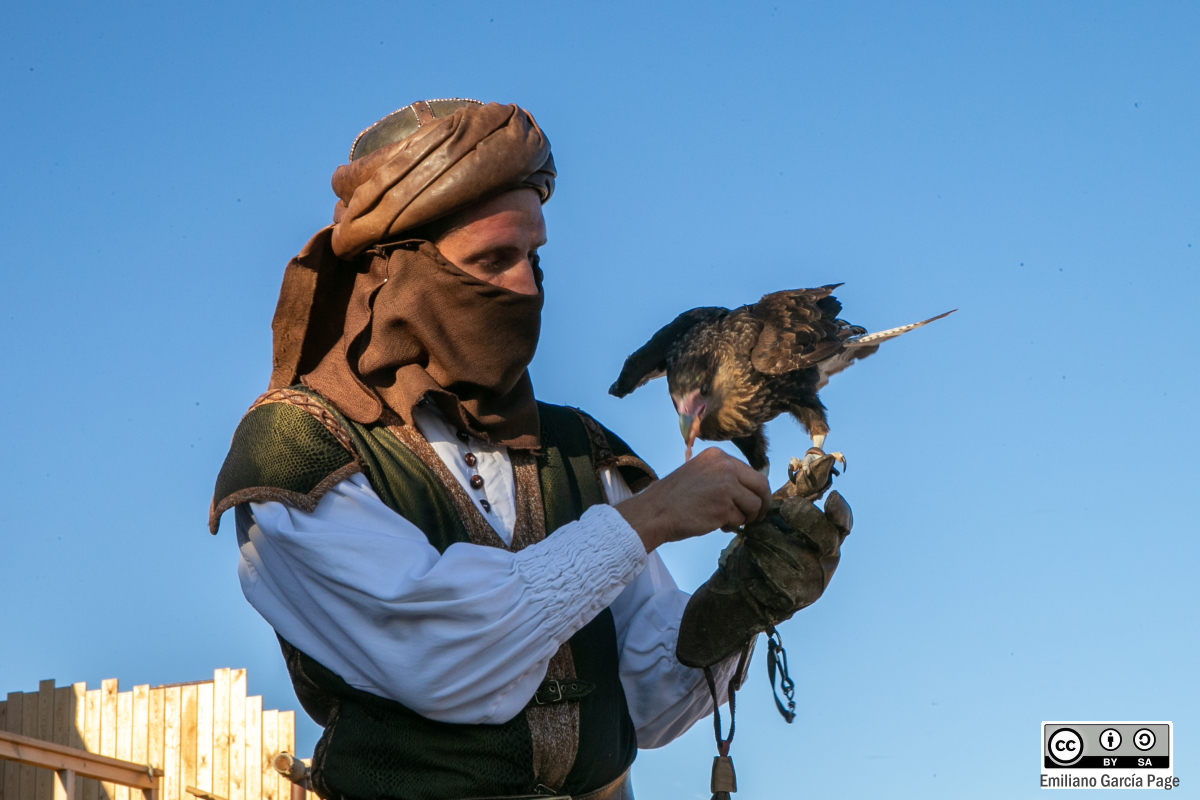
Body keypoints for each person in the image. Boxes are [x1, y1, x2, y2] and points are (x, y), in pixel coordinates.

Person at [209, 99, 845, 800]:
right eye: (492, 259)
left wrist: (744, 595)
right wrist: (650, 518)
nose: (525, 284)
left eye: (533, 256)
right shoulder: (297, 451)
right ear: (396, 276)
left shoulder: (577, 449)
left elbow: (648, 701)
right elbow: (448, 656)